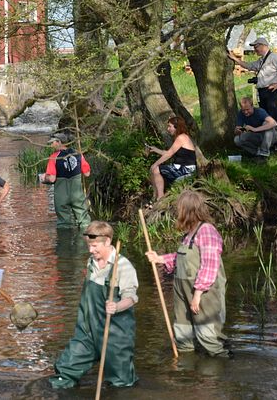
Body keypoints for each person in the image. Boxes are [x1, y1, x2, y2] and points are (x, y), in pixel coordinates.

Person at [50, 221, 138, 389]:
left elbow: (132, 297)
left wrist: (116, 306)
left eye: (95, 246)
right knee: (65, 370)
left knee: (122, 384)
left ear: (107, 241)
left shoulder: (124, 266)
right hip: (87, 331)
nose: (91, 251)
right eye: (89, 246)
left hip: (114, 334)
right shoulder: (91, 262)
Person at [145, 190, 229, 357]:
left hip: (203, 292)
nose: (177, 213)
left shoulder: (206, 231)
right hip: (182, 291)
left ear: (188, 211)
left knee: (208, 336)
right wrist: (159, 259)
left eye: (179, 209)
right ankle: (186, 372)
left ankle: (219, 371)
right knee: (183, 333)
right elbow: (182, 258)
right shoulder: (189, 234)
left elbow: (209, 265)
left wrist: (197, 294)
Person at [228, 37, 277, 152]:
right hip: (262, 92)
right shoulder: (262, 60)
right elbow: (249, 66)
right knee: (266, 119)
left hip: (272, 92)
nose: (255, 50)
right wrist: (234, 58)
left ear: (263, 45)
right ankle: (267, 144)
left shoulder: (274, 57)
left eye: (256, 47)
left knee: (274, 118)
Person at [39, 132, 91, 229]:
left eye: (52, 142)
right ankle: (87, 242)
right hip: (77, 195)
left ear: (59, 142)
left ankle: (65, 242)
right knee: (84, 222)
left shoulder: (54, 157)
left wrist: (43, 177)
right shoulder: (78, 154)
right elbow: (87, 173)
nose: (51, 145)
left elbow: (52, 178)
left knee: (64, 224)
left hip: (61, 195)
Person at [147, 116, 197, 202]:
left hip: (186, 169)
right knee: (155, 170)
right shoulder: (182, 137)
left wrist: (155, 164)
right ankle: (155, 196)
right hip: (181, 168)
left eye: (170, 126)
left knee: (156, 169)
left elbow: (169, 154)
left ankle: (160, 198)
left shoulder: (181, 137)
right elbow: (169, 153)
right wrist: (155, 149)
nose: (168, 129)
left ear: (176, 127)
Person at [234, 96, 277, 163]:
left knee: (266, 123)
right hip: (257, 137)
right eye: (243, 110)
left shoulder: (260, 111)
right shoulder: (241, 114)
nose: (245, 112)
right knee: (237, 139)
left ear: (252, 106)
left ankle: (264, 155)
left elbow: (274, 123)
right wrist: (238, 130)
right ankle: (258, 153)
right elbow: (237, 131)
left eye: (247, 109)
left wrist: (255, 129)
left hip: (271, 136)